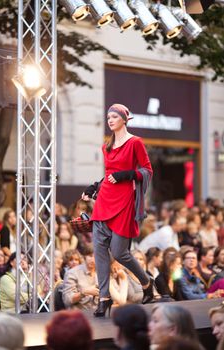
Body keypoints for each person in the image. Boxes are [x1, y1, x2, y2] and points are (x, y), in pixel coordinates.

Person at [82, 103, 153, 317]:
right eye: (108, 117)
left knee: (120, 253)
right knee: (100, 252)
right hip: (104, 201)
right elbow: (109, 174)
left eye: (114, 116)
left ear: (124, 119)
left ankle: (146, 282)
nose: (110, 120)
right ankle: (104, 298)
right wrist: (95, 186)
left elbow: (147, 170)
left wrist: (127, 174)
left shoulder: (135, 143)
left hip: (124, 203)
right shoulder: (106, 146)